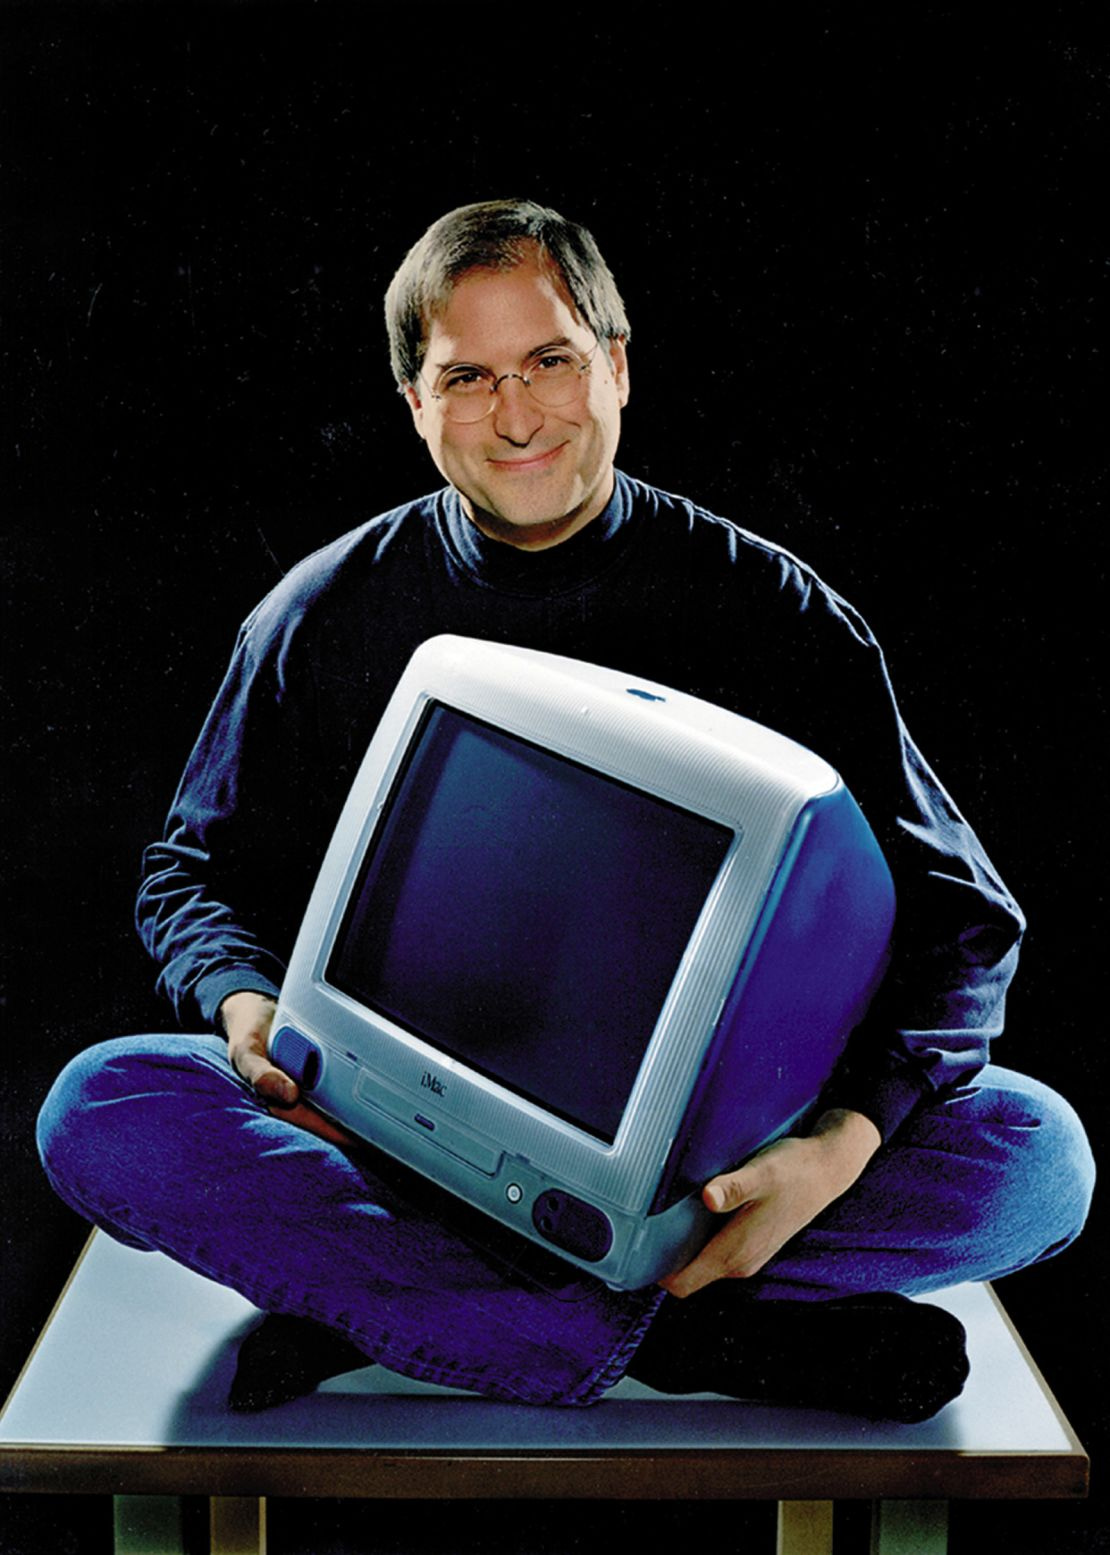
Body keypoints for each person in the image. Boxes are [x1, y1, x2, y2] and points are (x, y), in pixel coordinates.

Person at [37, 199, 1094, 1422]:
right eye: (468, 377)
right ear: (416, 403)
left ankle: (410, 1308)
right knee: (104, 1108)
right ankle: (701, 1341)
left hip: (690, 1170)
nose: (518, 414)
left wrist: (838, 1147)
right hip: (393, 1139)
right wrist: (247, 1007)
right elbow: (190, 872)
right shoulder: (320, 612)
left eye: (552, 361)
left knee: (1036, 1158)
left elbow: (964, 919)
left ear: (620, 366)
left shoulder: (779, 614)